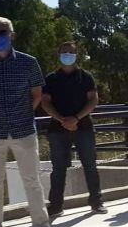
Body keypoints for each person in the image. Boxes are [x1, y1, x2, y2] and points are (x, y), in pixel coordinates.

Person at [0, 17, 57, 227]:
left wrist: (24, 114)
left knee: (32, 181)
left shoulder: (28, 63)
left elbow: (37, 94)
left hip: (23, 130)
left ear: (12, 34)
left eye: (1, 31)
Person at [40, 41, 106, 217]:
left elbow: (93, 100)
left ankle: (96, 201)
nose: (67, 54)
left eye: (70, 52)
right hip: (58, 128)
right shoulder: (51, 78)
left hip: (83, 126)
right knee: (58, 168)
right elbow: (45, 102)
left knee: (90, 165)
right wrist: (61, 119)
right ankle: (55, 205)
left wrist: (76, 118)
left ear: (77, 55)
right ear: (59, 54)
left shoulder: (86, 77)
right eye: (64, 52)